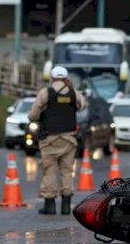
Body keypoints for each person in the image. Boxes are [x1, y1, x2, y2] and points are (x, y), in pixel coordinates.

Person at [28, 66, 87, 215]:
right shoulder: (74, 93)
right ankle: (66, 206)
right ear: (66, 78)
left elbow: (33, 115)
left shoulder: (45, 93)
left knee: (50, 171)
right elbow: (83, 106)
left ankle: (50, 205)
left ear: (52, 78)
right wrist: (71, 89)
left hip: (50, 139)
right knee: (67, 171)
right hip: (69, 139)